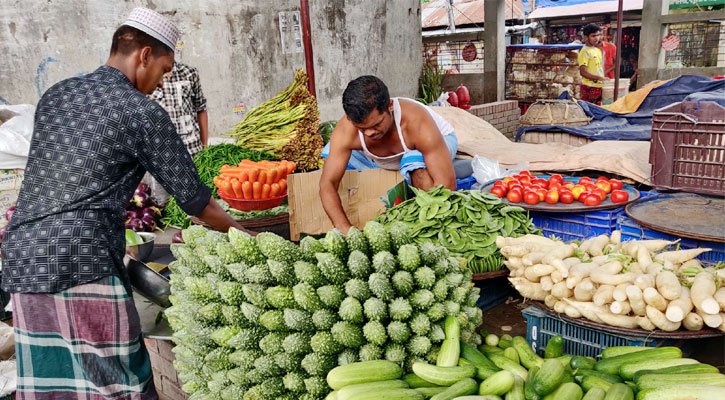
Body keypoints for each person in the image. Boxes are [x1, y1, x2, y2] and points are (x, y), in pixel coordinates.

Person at [1, 8, 251, 399]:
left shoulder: (56, 95)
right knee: (119, 381)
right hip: (81, 257)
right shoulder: (141, 111)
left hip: (23, 256)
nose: (162, 82)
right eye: (165, 70)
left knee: (52, 384)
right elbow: (195, 201)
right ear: (145, 55)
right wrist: (245, 236)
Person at [320, 75, 457, 234]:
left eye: (376, 124)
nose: (370, 133)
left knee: (414, 164)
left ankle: (430, 229)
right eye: (362, 129)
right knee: (329, 158)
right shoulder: (347, 130)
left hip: (437, 141)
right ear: (350, 120)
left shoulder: (416, 122)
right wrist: (346, 230)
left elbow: (446, 184)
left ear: (390, 106)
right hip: (378, 157)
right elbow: (327, 184)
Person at [150, 62, 208, 157]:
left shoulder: (189, 72)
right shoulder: (148, 75)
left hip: (193, 151)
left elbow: (201, 108)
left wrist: (205, 148)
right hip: (164, 155)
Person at [578, 23, 608, 105]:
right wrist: (599, 78)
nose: (597, 38)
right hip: (588, 87)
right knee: (588, 112)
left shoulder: (597, 50)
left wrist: (601, 78)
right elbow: (583, 72)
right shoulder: (584, 51)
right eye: (593, 36)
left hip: (599, 87)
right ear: (586, 37)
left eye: (598, 35)